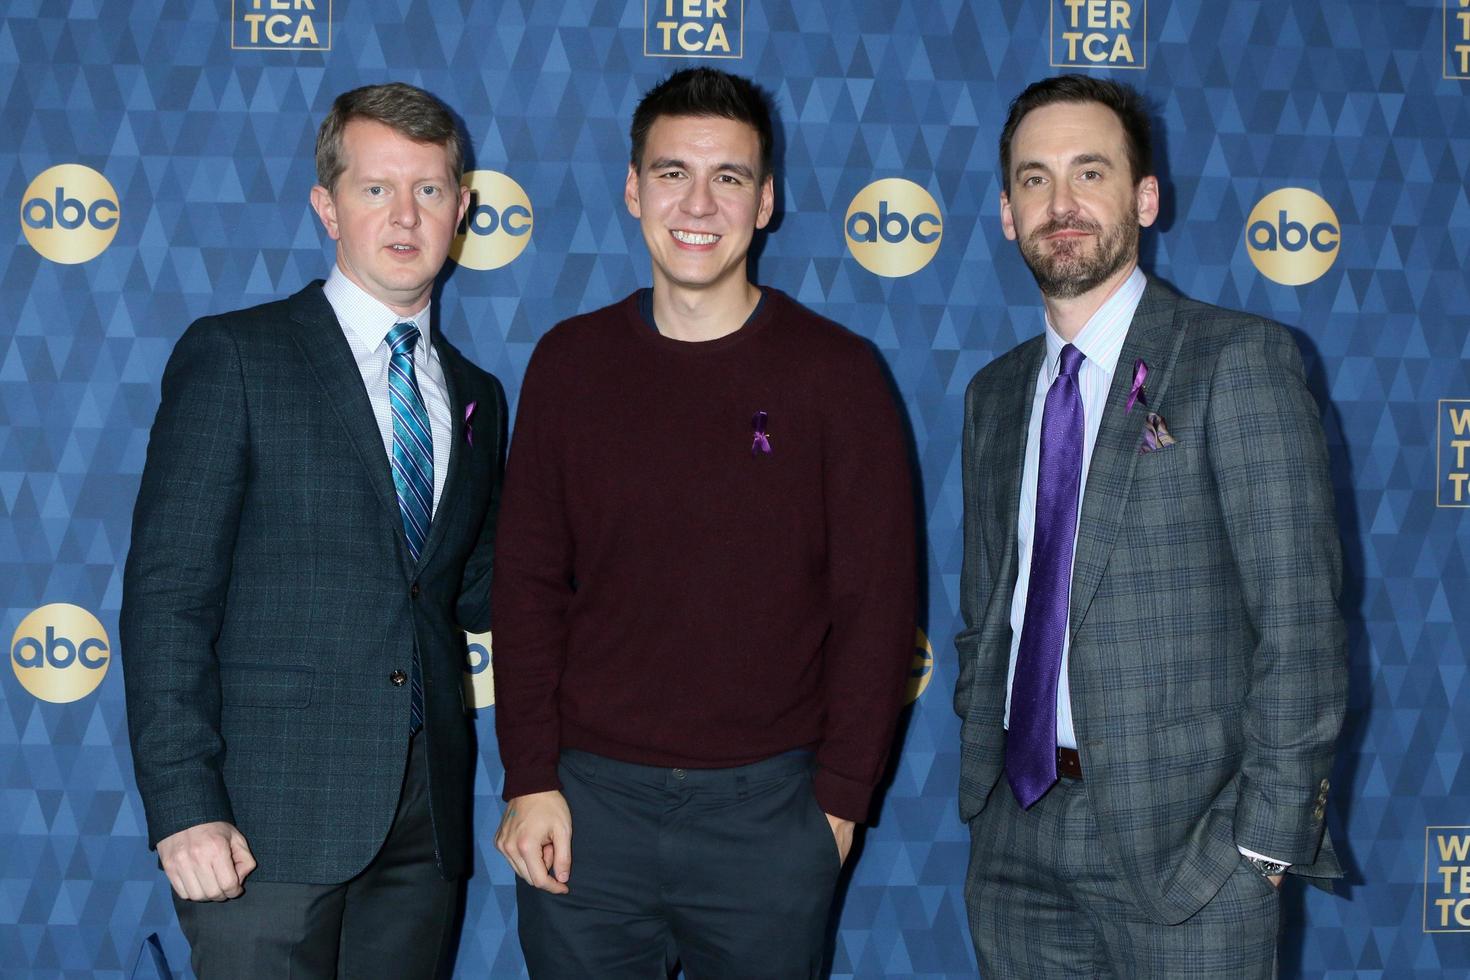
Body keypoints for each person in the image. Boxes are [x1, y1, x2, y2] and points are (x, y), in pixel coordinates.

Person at [490, 67, 916, 978]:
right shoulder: (570, 365)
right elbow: (523, 589)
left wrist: (838, 807)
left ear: (766, 202)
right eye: (673, 171)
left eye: (728, 178)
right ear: (633, 188)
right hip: (587, 811)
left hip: (770, 816)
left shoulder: (837, 377)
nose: (699, 202)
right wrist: (528, 778)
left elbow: (877, 608)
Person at [954, 74, 1347, 977]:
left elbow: (1302, 628)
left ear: (1145, 197)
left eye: (1090, 172)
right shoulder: (995, 394)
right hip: (1016, 844)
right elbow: (993, 614)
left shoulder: (1237, 362)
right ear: (1007, 212)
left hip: (1190, 859)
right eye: (1034, 178)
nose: (1063, 203)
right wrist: (985, 775)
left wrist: (1261, 850)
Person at [120, 82, 504, 979]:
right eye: (376, 189)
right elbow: (167, 597)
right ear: (327, 207)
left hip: (423, 820)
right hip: (263, 824)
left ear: (463, 209)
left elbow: (484, 586)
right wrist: (184, 806)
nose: (405, 216)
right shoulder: (238, 356)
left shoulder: (479, 393)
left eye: (430, 190)